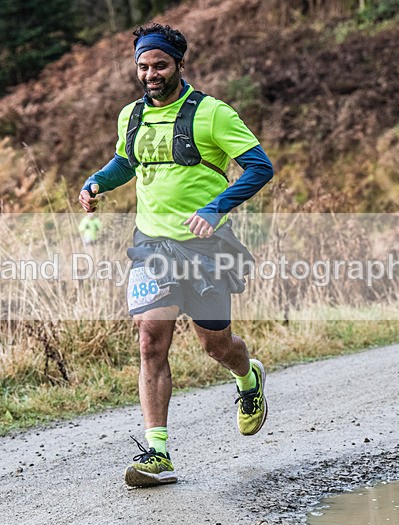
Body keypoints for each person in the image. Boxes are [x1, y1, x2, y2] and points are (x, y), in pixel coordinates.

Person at [78, 23, 274, 488]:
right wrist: (97, 182)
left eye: (159, 65)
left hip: (205, 250)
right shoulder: (131, 116)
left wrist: (215, 206)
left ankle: (248, 378)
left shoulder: (212, 114)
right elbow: (126, 161)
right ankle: (157, 453)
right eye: (142, 66)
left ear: (179, 64)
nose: (150, 74)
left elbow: (259, 166)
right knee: (150, 340)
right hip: (152, 246)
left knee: (216, 346)